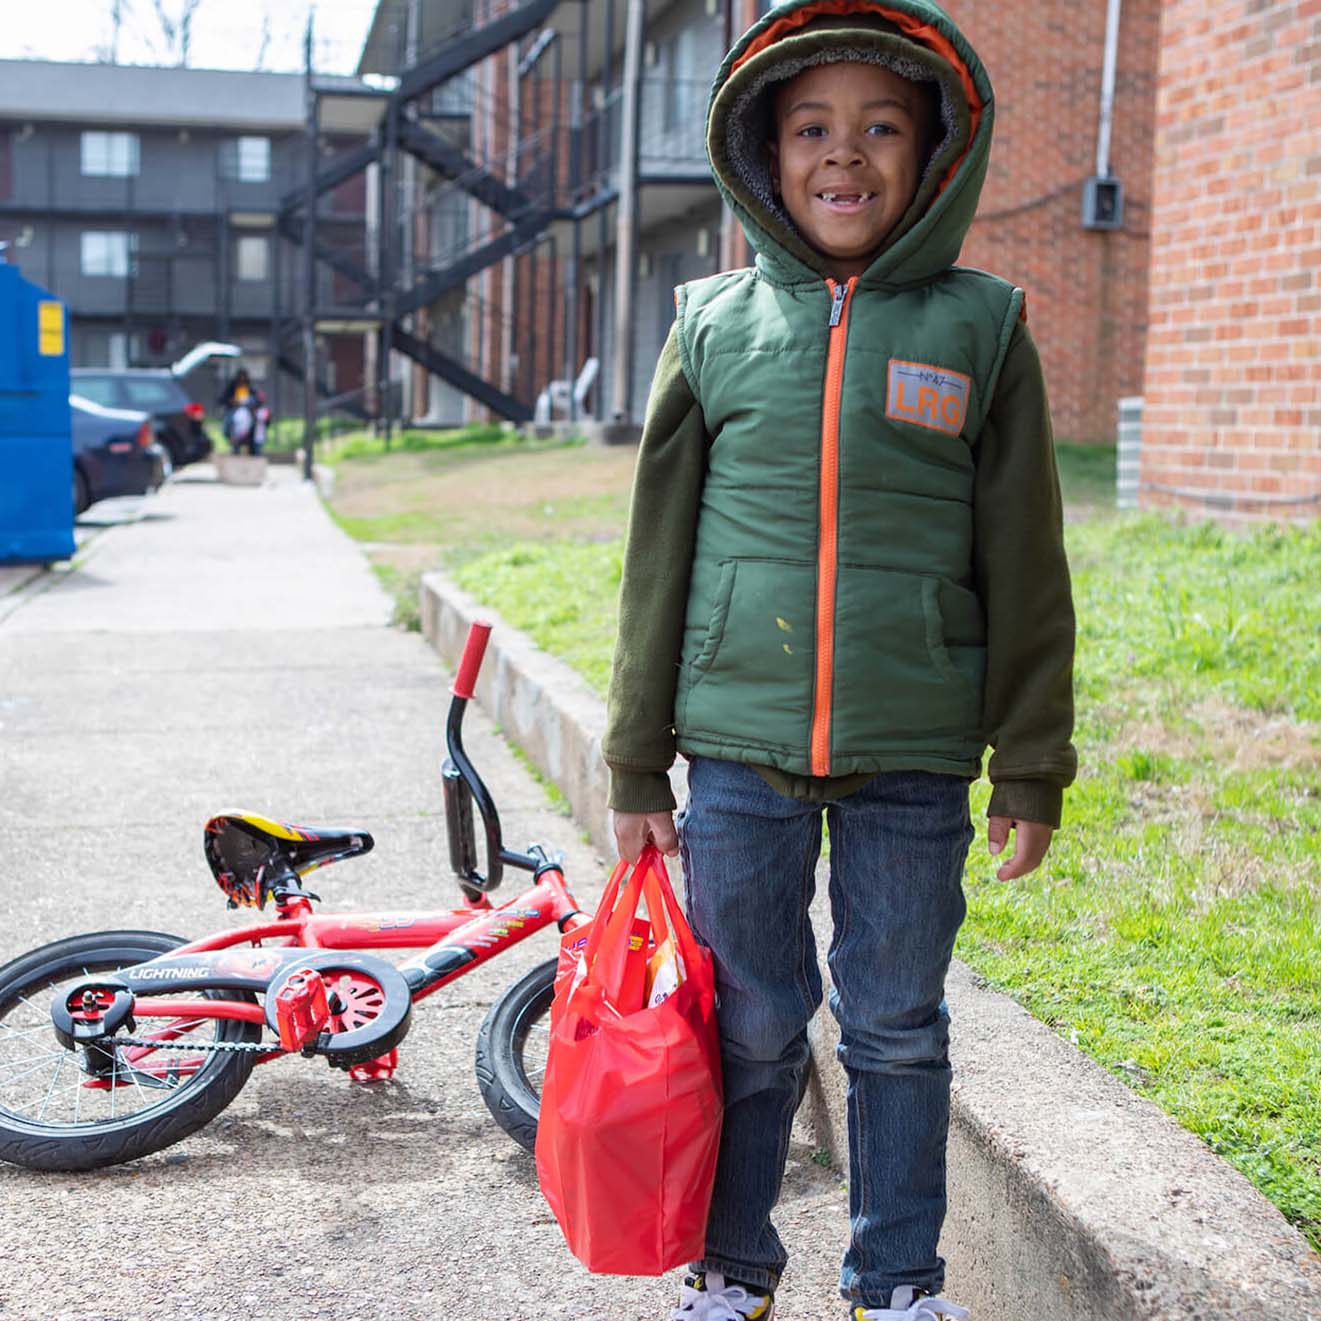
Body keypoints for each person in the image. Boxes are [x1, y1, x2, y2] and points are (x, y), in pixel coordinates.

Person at [601, 2, 1076, 1319]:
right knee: (748, 1026)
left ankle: (897, 1281)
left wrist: (1029, 761)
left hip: (914, 756)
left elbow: (1027, 560)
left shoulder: (981, 327)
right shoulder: (709, 324)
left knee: (895, 1029)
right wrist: (638, 756)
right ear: (762, 152)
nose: (843, 157)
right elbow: (657, 559)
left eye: (880, 127)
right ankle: (734, 1265)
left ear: (932, 152)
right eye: (811, 127)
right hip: (738, 754)